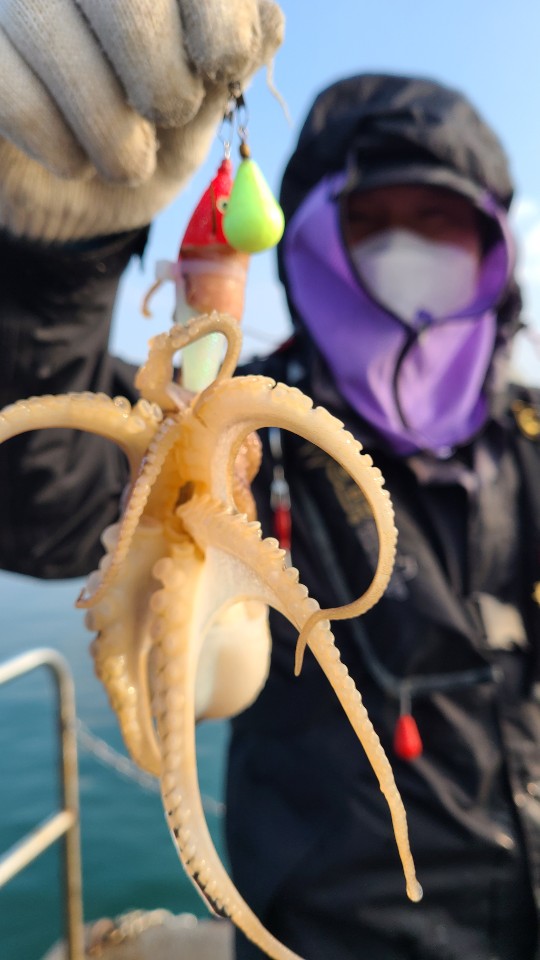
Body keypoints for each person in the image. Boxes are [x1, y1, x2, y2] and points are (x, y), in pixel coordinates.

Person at [0, 10, 538, 960]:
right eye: (369, 221)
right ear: (310, 242)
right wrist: (57, 254)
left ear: (493, 249)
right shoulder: (261, 432)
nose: (403, 246)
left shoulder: (529, 441)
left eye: (438, 221)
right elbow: (38, 493)